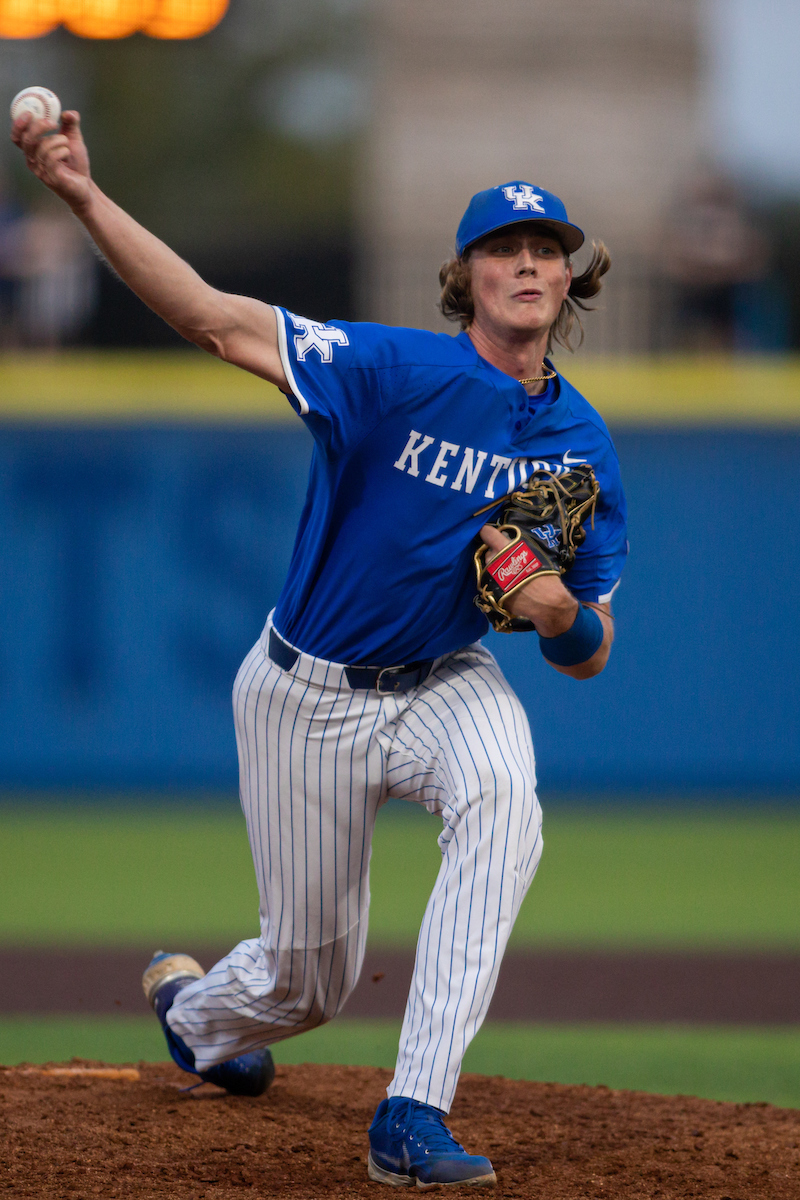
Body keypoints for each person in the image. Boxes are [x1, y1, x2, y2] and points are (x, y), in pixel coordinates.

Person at [13, 109, 627, 1189]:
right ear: (466, 278)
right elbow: (211, 319)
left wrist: (555, 616)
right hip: (308, 693)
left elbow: (589, 653)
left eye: (546, 250)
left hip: (445, 677)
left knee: (505, 803)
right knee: (308, 984)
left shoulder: (582, 446)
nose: (528, 264)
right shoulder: (388, 369)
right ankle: (196, 1018)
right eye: (503, 249)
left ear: (569, 279)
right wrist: (80, 195)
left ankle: (412, 1112)